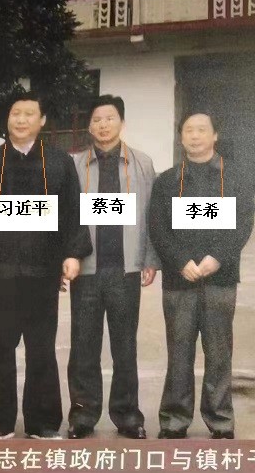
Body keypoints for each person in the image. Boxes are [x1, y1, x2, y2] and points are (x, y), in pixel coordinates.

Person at [0, 90, 91, 440]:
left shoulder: (59, 163)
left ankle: (43, 422)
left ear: (42, 120)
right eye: (15, 113)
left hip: (43, 272)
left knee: (41, 349)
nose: (21, 120)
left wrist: (72, 254)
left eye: (28, 114)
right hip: (1, 272)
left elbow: (73, 212)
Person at [148, 113, 254, 439]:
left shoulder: (234, 176)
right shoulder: (167, 181)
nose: (195, 136)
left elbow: (242, 223)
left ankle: (220, 420)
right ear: (181, 137)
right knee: (179, 353)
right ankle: (174, 420)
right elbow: (158, 227)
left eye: (201, 130)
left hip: (220, 280)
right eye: (188, 131)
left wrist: (217, 258)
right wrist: (180, 261)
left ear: (215, 135)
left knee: (219, 353)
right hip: (179, 281)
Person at [67, 95, 159, 440]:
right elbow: (65, 215)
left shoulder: (142, 163)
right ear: (89, 126)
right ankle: (83, 414)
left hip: (125, 269)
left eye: (109, 118)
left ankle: (127, 415)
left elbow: (152, 214)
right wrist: (66, 257)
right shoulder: (74, 165)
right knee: (83, 346)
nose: (103, 125)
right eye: (96, 120)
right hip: (86, 269)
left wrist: (149, 259)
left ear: (122, 123)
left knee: (125, 346)